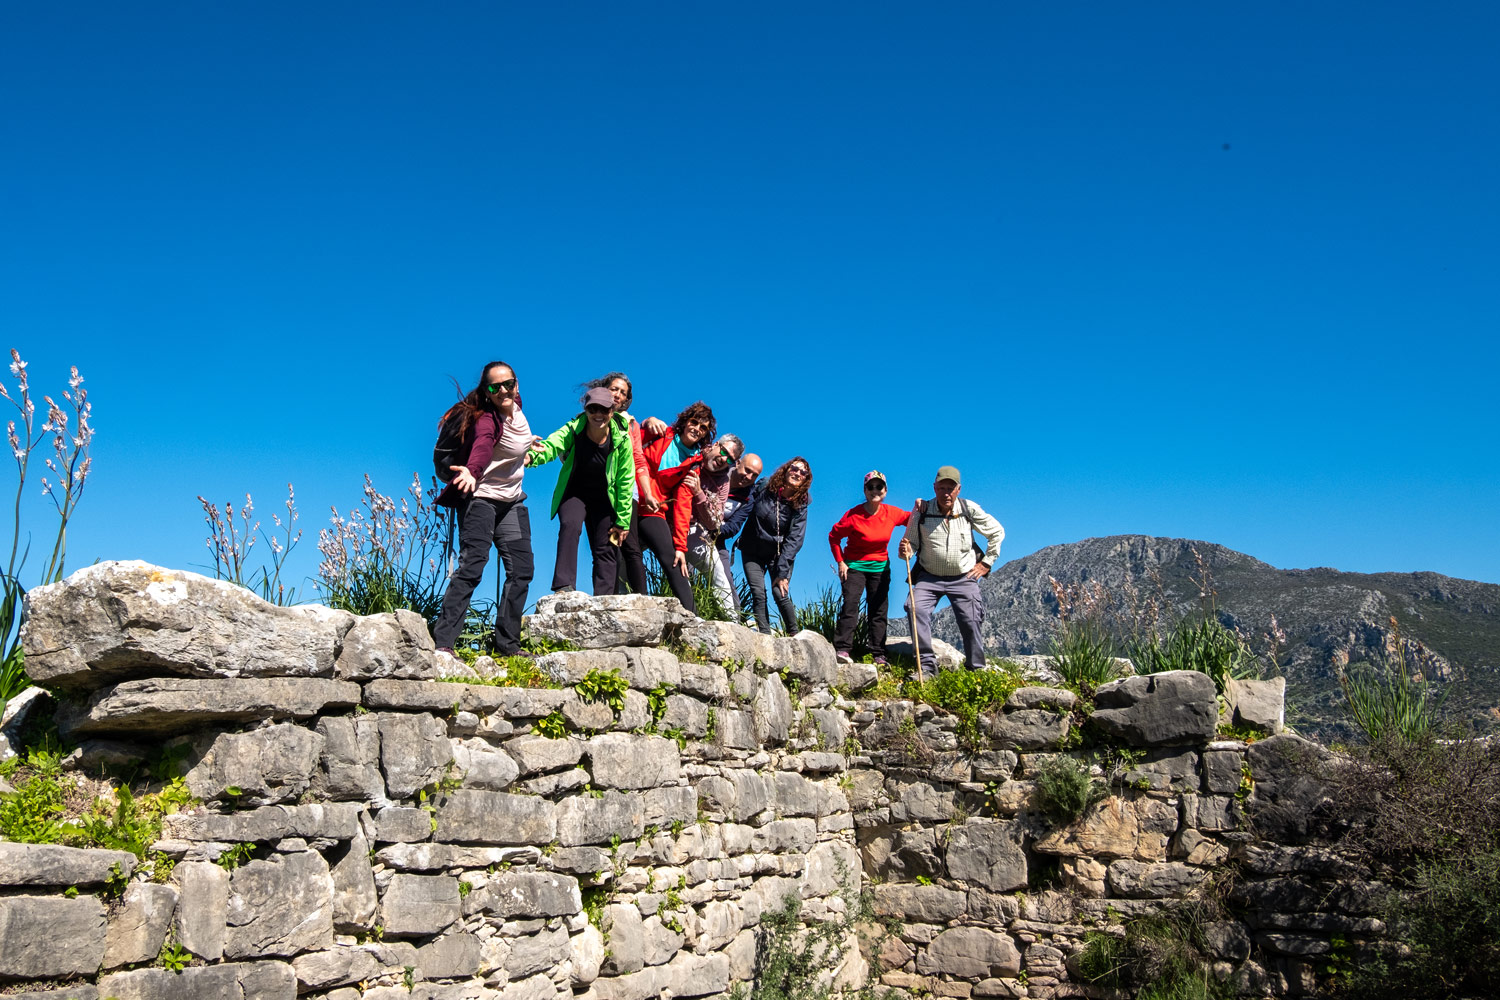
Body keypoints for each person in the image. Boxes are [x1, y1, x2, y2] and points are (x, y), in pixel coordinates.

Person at [431, 361, 536, 659]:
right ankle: (443, 643)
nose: (503, 390)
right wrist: (472, 472)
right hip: (482, 499)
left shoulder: (517, 405)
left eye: (509, 383)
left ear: (517, 384)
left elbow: (513, 442)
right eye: (495, 387)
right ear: (487, 392)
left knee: (522, 570)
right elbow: (483, 447)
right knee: (473, 566)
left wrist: (528, 444)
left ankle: (507, 646)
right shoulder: (488, 420)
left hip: (512, 501)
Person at [526, 387, 634, 596]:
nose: (598, 415)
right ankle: (564, 587)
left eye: (603, 409)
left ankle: (605, 597)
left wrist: (622, 520)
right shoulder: (573, 429)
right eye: (593, 409)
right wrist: (531, 457)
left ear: (612, 411)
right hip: (575, 492)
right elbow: (552, 445)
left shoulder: (622, 439)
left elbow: (625, 480)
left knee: (606, 544)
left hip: (604, 497)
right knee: (570, 526)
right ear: (586, 410)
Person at [897, 465, 1005, 672]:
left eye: (950, 488)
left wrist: (986, 563)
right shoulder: (922, 511)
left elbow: (997, 532)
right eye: (942, 488)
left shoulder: (968, 509)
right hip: (929, 576)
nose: (946, 493)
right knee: (914, 607)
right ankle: (927, 668)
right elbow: (909, 546)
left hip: (963, 577)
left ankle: (976, 669)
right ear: (934, 487)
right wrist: (905, 551)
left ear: (958, 489)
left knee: (971, 619)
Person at [584, 372, 663, 596]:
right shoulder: (589, 416)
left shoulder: (631, 423)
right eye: (614, 389)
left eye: (623, 392)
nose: (617, 394)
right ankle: (604, 597)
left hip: (627, 490)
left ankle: (641, 598)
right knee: (602, 548)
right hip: (597, 491)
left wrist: (647, 493)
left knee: (630, 546)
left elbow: (638, 458)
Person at [638, 402, 717, 613]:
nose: (697, 429)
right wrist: (647, 422)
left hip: (653, 508)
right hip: (628, 499)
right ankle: (632, 605)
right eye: (694, 422)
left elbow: (683, 504)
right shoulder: (662, 434)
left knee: (672, 557)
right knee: (620, 554)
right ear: (684, 422)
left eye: (703, 428)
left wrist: (681, 547)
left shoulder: (693, 463)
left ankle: (693, 615)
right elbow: (630, 443)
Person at [827, 470, 911, 666]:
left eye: (879, 487)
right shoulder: (853, 515)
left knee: (878, 610)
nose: (875, 490)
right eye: (870, 487)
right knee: (850, 606)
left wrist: (920, 506)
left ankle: (878, 654)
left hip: (880, 567)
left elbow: (912, 519)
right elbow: (834, 537)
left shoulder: (891, 513)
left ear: (885, 490)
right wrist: (840, 562)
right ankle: (843, 650)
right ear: (864, 490)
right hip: (854, 566)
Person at [735, 457, 811, 634]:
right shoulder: (765, 487)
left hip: (778, 556)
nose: (797, 473)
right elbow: (745, 503)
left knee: (780, 592)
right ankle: (765, 635)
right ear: (786, 469)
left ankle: (795, 635)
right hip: (751, 550)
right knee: (758, 592)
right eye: (794, 469)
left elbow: (795, 539)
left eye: (803, 472)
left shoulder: (800, 505)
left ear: (805, 479)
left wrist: (782, 571)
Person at [671, 434, 744, 614]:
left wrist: (698, 493)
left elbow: (714, 523)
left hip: (694, 529)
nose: (723, 460)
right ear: (716, 444)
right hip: (667, 519)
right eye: (724, 452)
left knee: (717, 571)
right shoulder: (694, 452)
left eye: (730, 460)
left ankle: (730, 619)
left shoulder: (723, 482)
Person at [715, 451, 762, 612]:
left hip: (717, 537)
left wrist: (714, 529)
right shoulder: (717, 474)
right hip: (690, 528)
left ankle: (734, 618)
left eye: (754, 475)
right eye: (747, 470)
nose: (748, 477)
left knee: (726, 578)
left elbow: (734, 526)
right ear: (738, 463)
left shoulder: (749, 498)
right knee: (685, 568)